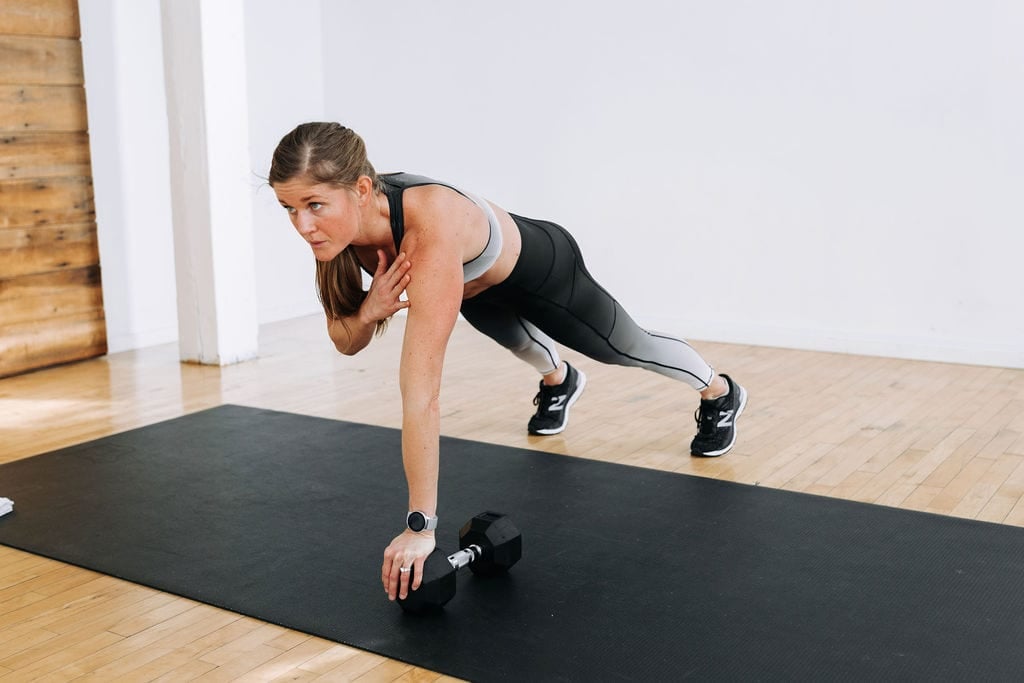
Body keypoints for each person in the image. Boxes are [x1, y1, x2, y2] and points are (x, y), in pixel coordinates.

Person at [268, 122, 747, 603]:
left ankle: (719, 391)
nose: (302, 225)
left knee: (622, 347)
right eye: (288, 208)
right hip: (478, 287)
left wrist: (420, 526)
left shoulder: (428, 230)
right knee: (522, 347)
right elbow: (346, 341)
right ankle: (560, 381)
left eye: (313, 206)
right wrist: (370, 310)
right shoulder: (337, 233)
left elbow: (422, 396)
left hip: (543, 271)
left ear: (362, 189)